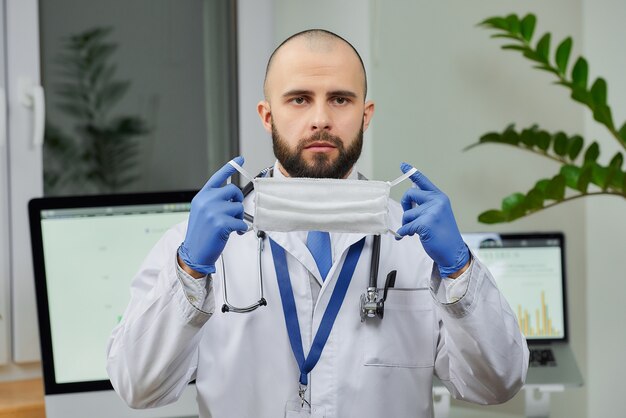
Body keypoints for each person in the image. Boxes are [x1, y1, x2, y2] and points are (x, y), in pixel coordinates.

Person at [107, 29, 528, 418]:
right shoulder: (198, 244)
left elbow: (498, 384)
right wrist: (190, 270)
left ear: (366, 115)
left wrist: (459, 269)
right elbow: (138, 386)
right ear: (267, 115)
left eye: (340, 99)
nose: (321, 119)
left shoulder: (416, 243)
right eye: (299, 99)